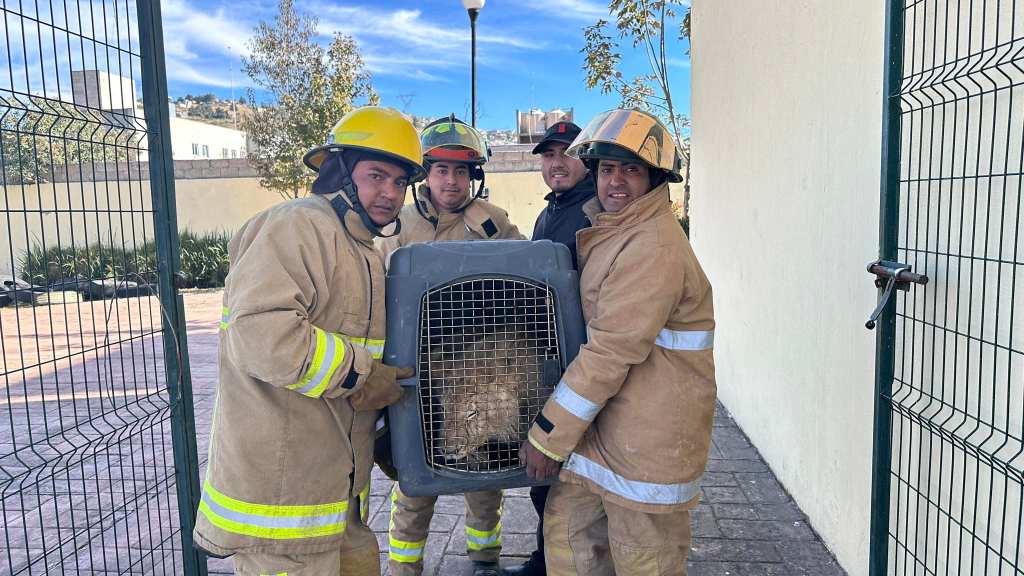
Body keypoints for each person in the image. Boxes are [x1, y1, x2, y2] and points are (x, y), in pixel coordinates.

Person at [192, 106, 424, 576]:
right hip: (282, 510)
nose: (390, 193)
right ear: (338, 172)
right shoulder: (296, 226)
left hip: (332, 496)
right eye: (377, 176)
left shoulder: (362, 247)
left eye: (400, 183)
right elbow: (262, 334)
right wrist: (361, 374)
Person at [521, 108, 717, 576]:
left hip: (647, 444)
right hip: (607, 430)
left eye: (631, 169)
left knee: (641, 559)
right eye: (607, 168)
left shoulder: (651, 246)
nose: (615, 181)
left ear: (655, 179)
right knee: (570, 538)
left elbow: (610, 349)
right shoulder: (617, 230)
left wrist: (548, 435)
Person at [377, 115, 524, 576]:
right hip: (415, 374)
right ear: (426, 173)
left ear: (474, 177)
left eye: (462, 171)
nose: (452, 181)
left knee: (483, 476)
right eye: (442, 169)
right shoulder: (396, 225)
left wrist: (492, 238)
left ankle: (484, 560)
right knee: (413, 479)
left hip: (477, 373)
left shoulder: (493, 222)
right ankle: (406, 567)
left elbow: (528, 281)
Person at [503, 121, 594, 576]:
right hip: (549, 358)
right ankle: (546, 562)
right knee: (547, 475)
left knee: (568, 477)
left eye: (567, 153)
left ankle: (560, 565)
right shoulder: (551, 212)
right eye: (548, 155)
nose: (556, 162)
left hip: (584, 364)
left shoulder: (596, 211)